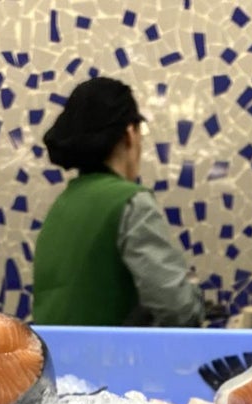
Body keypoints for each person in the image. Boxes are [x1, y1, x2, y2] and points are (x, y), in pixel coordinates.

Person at [32, 76, 211, 327]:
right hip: (107, 362)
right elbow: (177, 309)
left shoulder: (62, 205)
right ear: (130, 133)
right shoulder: (131, 202)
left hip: (56, 363)